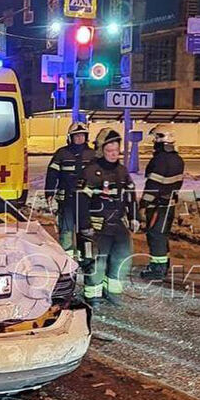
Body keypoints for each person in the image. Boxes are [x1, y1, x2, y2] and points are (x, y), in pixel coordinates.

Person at [77, 129, 138, 307]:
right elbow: (81, 201)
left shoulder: (122, 171)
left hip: (117, 224)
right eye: (109, 151)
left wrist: (134, 217)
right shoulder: (90, 172)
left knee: (120, 259)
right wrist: (84, 225)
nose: (113, 154)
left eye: (116, 150)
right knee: (97, 262)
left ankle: (112, 293)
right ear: (101, 150)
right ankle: (93, 296)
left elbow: (130, 196)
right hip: (97, 226)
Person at [139, 126, 186, 280]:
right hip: (169, 204)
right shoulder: (178, 159)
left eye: (155, 139)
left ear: (161, 139)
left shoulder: (159, 160)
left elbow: (153, 185)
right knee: (162, 236)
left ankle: (157, 269)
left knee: (155, 235)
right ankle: (163, 266)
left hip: (157, 206)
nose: (154, 142)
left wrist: (143, 204)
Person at [44, 121, 94, 257]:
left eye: (82, 135)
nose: (79, 138)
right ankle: (68, 262)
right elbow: (52, 174)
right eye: (76, 136)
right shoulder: (61, 153)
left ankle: (87, 260)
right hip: (67, 201)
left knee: (86, 232)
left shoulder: (93, 155)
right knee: (66, 231)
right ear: (70, 138)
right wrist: (49, 192)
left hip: (86, 202)